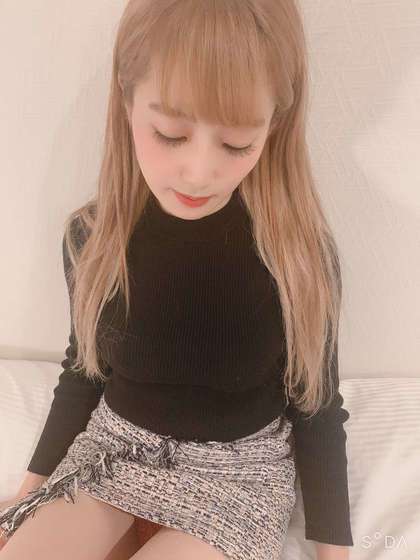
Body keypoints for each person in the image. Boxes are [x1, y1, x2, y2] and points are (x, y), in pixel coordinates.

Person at [0, 1, 353, 559]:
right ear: (126, 100)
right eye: (170, 134)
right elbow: (83, 371)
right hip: (116, 451)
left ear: (274, 126)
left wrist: (335, 554)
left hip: (237, 477)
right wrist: (29, 495)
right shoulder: (92, 239)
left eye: (236, 144)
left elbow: (318, 407)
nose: (199, 172)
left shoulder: (299, 258)